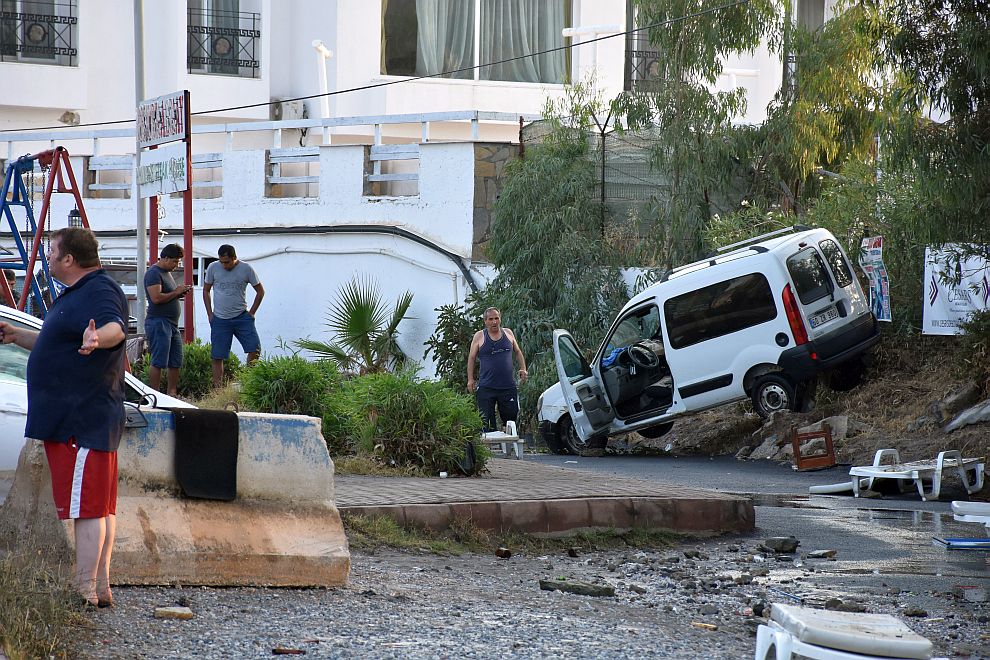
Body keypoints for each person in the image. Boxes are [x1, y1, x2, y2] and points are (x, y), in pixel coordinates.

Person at [0, 227, 128, 609]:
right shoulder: (76, 295)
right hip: (81, 417)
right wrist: (15, 335)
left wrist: (96, 340)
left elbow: (115, 329)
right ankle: (99, 588)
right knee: (99, 507)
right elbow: (55, 342)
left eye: (53, 251)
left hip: (80, 416)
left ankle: (84, 590)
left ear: (69, 258)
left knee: (87, 509)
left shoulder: (99, 290)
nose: (49, 257)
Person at [202, 244, 264, 387]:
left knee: (255, 349)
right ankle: (218, 390)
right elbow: (206, 291)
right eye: (222, 262)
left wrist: (252, 313)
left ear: (234, 258)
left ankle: (248, 382)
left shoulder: (246, 269)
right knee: (218, 355)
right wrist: (210, 314)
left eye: (227, 262)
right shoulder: (213, 267)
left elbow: (260, 292)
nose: (224, 265)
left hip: (242, 317)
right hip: (219, 319)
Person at [467, 307, 528, 432]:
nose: (494, 322)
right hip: (486, 387)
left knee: (511, 419)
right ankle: (489, 449)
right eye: (491, 319)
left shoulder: (508, 333)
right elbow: (471, 358)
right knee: (487, 423)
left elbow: (517, 351)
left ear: (500, 319)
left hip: (507, 387)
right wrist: (470, 379)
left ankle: (508, 449)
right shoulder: (479, 336)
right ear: (485, 321)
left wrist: (523, 368)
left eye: (496, 318)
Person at [144, 244, 192, 396]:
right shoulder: (153, 273)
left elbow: (168, 295)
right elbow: (156, 298)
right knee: (158, 361)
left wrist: (178, 293)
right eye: (175, 261)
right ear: (165, 258)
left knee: (175, 360)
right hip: (159, 321)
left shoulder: (166, 273)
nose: (176, 265)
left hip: (172, 324)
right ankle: (154, 395)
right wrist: (176, 292)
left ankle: (172, 394)